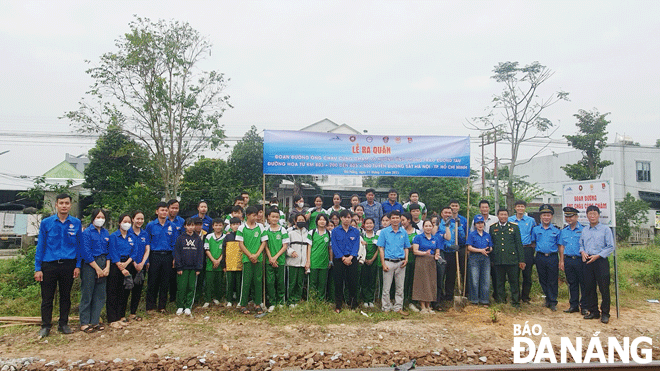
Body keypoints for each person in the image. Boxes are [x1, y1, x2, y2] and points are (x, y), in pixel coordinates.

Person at [34, 193, 81, 337]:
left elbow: (79, 246)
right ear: (56, 205)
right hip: (49, 264)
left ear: (70, 205)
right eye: (61, 203)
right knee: (47, 297)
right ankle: (46, 325)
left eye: (67, 203)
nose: (64, 206)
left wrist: (78, 265)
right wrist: (38, 268)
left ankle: (63, 324)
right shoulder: (47, 223)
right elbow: (41, 245)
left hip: (68, 264)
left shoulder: (76, 223)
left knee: (65, 296)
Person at [580, 205, 615, 324]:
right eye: (590, 214)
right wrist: (583, 252)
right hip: (588, 260)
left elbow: (610, 246)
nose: (592, 216)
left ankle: (605, 313)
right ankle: (594, 312)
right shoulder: (585, 230)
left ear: (599, 215)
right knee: (589, 288)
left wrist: (598, 256)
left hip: (600, 260)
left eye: (594, 214)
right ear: (587, 216)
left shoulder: (605, 229)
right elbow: (581, 244)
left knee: (604, 288)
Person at [79, 209, 110, 332]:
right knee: (87, 293)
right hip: (90, 265)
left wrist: (107, 267)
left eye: (102, 217)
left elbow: (109, 251)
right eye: (98, 217)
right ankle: (84, 322)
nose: (100, 219)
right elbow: (86, 252)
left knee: (100, 294)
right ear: (93, 218)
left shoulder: (106, 232)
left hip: (104, 263)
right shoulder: (86, 233)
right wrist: (97, 268)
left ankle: (95, 321)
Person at [489, 209, 525, 307]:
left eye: (505, 215)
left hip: (512, 259)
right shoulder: (493, 228)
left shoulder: (514, 227)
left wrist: (521, 260)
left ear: (508, 216)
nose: (503, 216)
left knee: (514, 281)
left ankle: (516, 301)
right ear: (497, 216)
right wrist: (492, 259)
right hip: (498, 259)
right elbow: (491, 244)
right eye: (501, 214)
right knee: (499, 282)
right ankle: (501, 301)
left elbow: (519, 244)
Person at [377, 210, 410, 316]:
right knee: (386, 287)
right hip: (388, 262)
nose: (395, 220)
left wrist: (406, 259)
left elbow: (406, 247)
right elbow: (381, 248)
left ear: (400, 219)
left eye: (397, 218)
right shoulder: (384, 232)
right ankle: (385, 308)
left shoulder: (403, 232)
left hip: (401, 262)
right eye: (393, 218)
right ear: (390, 220)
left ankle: (398, 307)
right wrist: (383, 263)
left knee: (400, 287)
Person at [145, 202, 176, 312]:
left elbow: (174, 243)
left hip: (167, 256)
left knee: (165, 282)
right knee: (153, 281)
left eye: (166, 210)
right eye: (162, 210)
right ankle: (150, 306)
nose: (164, 212)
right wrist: (147, 260)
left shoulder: (171, 226)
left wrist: (174, 258)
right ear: (157, 211)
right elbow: (147, 243)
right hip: (154, 256)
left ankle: (162, 306)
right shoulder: (150, 225)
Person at [237, 206, 267, 314]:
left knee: (258, 281)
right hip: (247, 259)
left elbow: (263, 242)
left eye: (257, 215)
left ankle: (257, 303)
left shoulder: (260, 227)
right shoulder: (241, 228)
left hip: (258, 259)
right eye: (254, 215)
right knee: (246, 281)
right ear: (248, 215)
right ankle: (243, 304)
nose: (256, 217)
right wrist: (250, 255)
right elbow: (241, 244)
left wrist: (257, 255)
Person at [531, 204, 561, 311]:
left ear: (551, 216)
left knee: (552, 280)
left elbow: (560, 245)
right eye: (544, 215)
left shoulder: (557, 230)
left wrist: (561, 260)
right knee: (542, 279)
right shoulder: (535, 229)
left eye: (548, 215)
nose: (546, 217)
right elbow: (533, 243)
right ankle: (547, 299)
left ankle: (553, 302)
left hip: (552, 257)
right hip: (540, 257)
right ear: (540, 217)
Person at [107, 213, 134, 329]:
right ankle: (112, 319)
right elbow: (112, 251)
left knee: (124, 292)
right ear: (119, 223)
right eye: (124, 221)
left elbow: (135, 251)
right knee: (113, 292)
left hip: (127, 264)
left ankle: (120, 316)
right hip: (115, 266)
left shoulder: (131, 236)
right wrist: (120, 266)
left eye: (129, 222)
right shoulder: (113, 236)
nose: (127, 224)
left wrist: (127, 264)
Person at [331, 209, 360, 312]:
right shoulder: (335, 231)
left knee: (352, 282)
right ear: (340, 218)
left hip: (352, 259)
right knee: (338, 282)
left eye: (348, 217)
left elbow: (356, 246)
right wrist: (343, 258)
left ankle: (353, 304)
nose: (347, 219)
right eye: (344, 217)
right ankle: (338, 305)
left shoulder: (355, 231)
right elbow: (334, 245)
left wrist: (350, 257)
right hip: (339, 259)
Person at [559, 206, 587, 315]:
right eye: (567, 217)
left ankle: (584, 306)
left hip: (580, 260)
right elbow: (562, 246)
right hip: (568, 260)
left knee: (583, 284)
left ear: (576, 217)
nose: (569, 219)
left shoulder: (583, 229)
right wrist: (561, 261)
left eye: (571, 216)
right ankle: (573, 305)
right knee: (572, 283)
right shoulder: (564, 231)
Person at [174, 218, 205, 316]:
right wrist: (178, 267)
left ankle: (188, 307)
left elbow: (200, 254)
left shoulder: (198, 239)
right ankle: (180, 306)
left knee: (191, 287)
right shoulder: (180, 238)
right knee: (181, 287)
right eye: (189, 225)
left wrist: (198, 268)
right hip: (183, 267)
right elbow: (177, 253)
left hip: (194, 268)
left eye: (192, 225)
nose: (191, 227)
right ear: (185, 226)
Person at [508, 200, 537, 304]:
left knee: (527, 275)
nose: (520, 208)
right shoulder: (510, 220)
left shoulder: (531, 220)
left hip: (527, 249)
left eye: (522, 206)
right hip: (514, 250)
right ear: (515, 208)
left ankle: (525, 297)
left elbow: (534, 235)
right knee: (514, 274)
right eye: (518, 206)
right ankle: (515, 297)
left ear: (525, 208)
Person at [412, 219, 442, 313]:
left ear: (432, 227)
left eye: (430, 226)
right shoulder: (418, 237)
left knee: (431, 283)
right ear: (423, 227)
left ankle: (429, 305)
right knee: (421, 282)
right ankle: (422, 306)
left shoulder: (435, 238)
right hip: (421, 261)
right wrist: (424, 253)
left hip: (431, 262)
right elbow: (415, 251)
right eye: (426, 226)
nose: (428, 228)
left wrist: (437, 255)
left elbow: (437, 250)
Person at [263, 209, 289, 311]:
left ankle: (280, 302)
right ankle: (272, 302)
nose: (274, 219)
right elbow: (265, 246)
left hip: (280, 261)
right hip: (269, 261)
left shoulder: (283, 230)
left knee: (280, 282)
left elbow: (285, 246)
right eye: (272, 217)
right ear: (268, 217)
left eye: (276, 217)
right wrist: (270, 258)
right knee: (270, 282)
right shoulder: (266, 230)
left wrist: (275, 257)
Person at [467, 215, 493, 306]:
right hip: (474, 258)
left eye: (481, 223)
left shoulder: (487, 235)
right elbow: (469, 247)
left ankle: (484, 300)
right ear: (475, 225)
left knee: (485, 279)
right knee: (474, 279)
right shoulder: (472, 234)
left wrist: (488, 249)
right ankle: (474, 300)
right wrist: (480, 250)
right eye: (478, 223)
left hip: (485, 258)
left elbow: (491, 247)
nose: (480, 225)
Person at [128, 210, 149, 321]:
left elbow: (147, 249)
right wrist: (134, 263)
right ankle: (121, 314)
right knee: (126, 289)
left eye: (142, 219)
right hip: (130, 265)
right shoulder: (127, 232)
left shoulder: (145, 233)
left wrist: (142, 263)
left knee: (138, 290)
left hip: (141, 266)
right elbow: (127, 250)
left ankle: (133, 313)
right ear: (133, 219)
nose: (140, 221)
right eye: (138, 219)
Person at [306, 213, 332, 301]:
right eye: (320, 220)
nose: (322, 221)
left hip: (324, 262)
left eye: (324, 220)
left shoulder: (329, 233)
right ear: (317, 221)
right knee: (313, 282)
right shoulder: (311, 232)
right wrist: (308, 261)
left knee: (322, 283)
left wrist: (330, 261)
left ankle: (320, 300)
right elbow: (309, 247)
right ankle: (312, 300)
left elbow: (330, 248)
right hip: (314, 261)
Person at [287, 213, 309, 307]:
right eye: (299, 220)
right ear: (295, 221)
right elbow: (286, 246)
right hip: (292, 263)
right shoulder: (290, 233)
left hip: (302, 263)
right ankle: (290, 301)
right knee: (292, 283)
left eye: (303, 220)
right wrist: (291, 252)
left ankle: (297, 299)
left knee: (300, 283)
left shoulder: (308, 234)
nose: (301, 222)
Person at [203, 218, 225, 308]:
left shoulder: (225, 237)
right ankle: (207, 299)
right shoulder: (208, 236)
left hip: (220, 264)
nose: (218, 227)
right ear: (212, 226)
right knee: (209, 282)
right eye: (216, 225)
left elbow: (224, 251)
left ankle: (217, 298)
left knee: (219, 282)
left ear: (223, 226)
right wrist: (213, 260)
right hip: (210, 264)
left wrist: (219, 260)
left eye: (220, 225)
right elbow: (206, 249)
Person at [167, 199, 185, 303]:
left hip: (177, 252)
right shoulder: (164, 220)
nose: (174, 210)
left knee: (175, 276)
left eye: (176, 208)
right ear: (168, 208)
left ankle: (173, 299)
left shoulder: (181, 221)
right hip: (165, 251)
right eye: (172, 208)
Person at [401, 212, 419, 312]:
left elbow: (419, 245)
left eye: (403, 220)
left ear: (409, 220)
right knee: (403, 282)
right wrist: (411, 247)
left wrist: (409, 247)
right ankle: (402, 302)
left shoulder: (417, 232)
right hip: (402, 261)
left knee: (413, 282)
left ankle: (412, 302)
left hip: (415, 260)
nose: (402, 222)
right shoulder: (400, 231)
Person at [223, 217, 243, 307]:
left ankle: (239, 300)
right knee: (229, 283)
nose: (236, 226)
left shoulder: (243, 236)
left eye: (238, 224)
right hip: (229, 264)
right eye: (234, 224)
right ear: (230, 226)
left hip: (240, 264)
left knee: (239, 283)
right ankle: (229, 300)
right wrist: (224, 264)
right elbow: (224, 251)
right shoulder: (227, 237)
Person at [360, 218, 379, 308]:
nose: (369, 225)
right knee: (364, 281)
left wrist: (372, 260)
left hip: (373, 262)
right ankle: (365, 300)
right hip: (363, 261)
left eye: (371, 223)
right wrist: (365, 260)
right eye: (367, 223)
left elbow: (378, 249)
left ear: (374, 225)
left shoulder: (377, 236)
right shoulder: (361, 235)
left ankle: (371, 300)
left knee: (372, 281)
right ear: (364, 225)